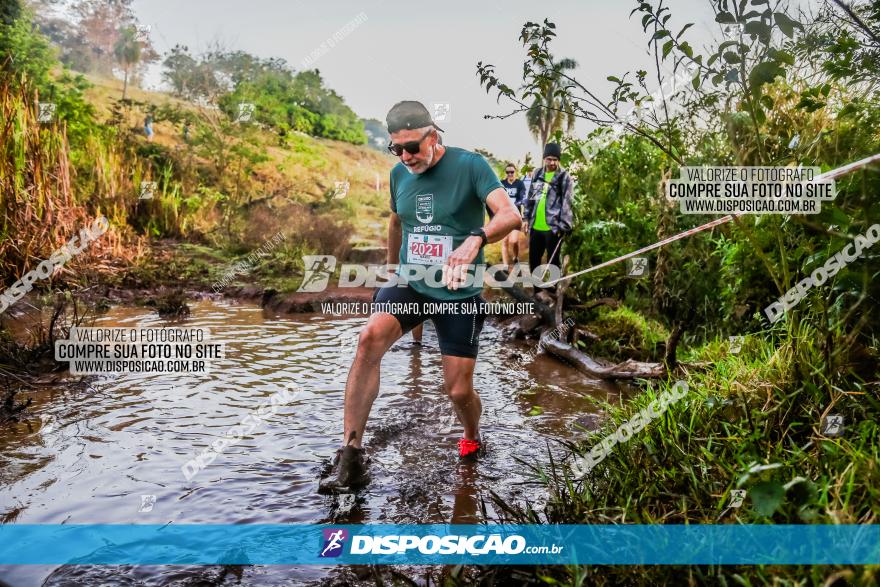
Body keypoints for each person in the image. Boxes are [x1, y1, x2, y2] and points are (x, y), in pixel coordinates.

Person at [319, 101, 521, 493]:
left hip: (458, 293)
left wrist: (474, 240)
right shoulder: (399, 175)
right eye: (398, 148)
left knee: (458, 390)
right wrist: (393, 267)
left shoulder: (471, 166)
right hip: (412, 283)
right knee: (369, 338)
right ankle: (351, 453)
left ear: (434, 136)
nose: (406, 156)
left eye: (413, 146)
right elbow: (397, 219)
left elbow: (510, 215)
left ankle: (472, 434)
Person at [522, 143, 574, 278]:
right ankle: (537, 291)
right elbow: (532, 198)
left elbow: (567, 203)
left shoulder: (563, 177)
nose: (552, 162)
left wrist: (564, 226)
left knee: (553, 262)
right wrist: (526, 218)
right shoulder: (538, 174)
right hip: (536, 226)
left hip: (553, 228)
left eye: (555, 159)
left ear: (559, 160)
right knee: (534, 260)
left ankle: (553, 289)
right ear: (544, 158)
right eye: (549, 159)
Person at [500, 163, 527, 270]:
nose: (510, 174)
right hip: (503, 216)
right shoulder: (501, 183)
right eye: (508, 172)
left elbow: (522, 198)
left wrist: (516, 206)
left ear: (515, 172)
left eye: (512, 172)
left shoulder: (520, 184)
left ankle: (516, 257)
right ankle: (505, 266)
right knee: (505, 241)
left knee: (514, 241)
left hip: (516, 216)